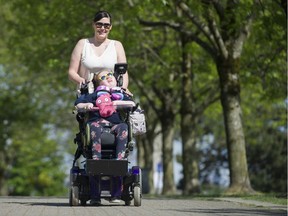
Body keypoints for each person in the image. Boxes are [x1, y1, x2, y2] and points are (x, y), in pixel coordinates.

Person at [68, 10, 130, 94]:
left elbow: (123, 72)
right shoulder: (82, 44)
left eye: (106, 25)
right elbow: (72, 72)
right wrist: (81, 81)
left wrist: (123, 89)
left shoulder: (117, 45)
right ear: (93, 25)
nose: (102, 28)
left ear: (110, 27)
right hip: (87, 94)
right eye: (99, 25)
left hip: (114, 94)